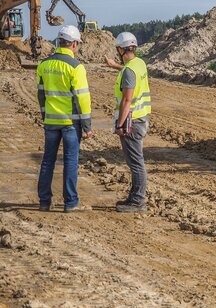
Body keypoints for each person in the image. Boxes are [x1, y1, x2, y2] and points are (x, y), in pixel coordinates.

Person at [37, 25, 93, 213]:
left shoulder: (44, 65)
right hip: (70, 123)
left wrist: (45, 116)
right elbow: (82, 98)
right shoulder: (76, 67)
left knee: (47, 161)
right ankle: (70, 202)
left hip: (51, 122)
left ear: (59, 42)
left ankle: (44, 201)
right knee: (70, 161)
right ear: (74, 44)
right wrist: (87, 125)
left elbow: (41, 94)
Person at [104, 32, 151, 213]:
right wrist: (115, 66)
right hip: (141, 118)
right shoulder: (138, 64)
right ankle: (135, 197)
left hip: (132, 122)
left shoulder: (129, 71)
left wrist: (119, 125)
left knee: (136, 162)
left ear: (121, 49)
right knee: (136, 161)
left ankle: (138, 201)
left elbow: (126, 100)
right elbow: (128, 72)